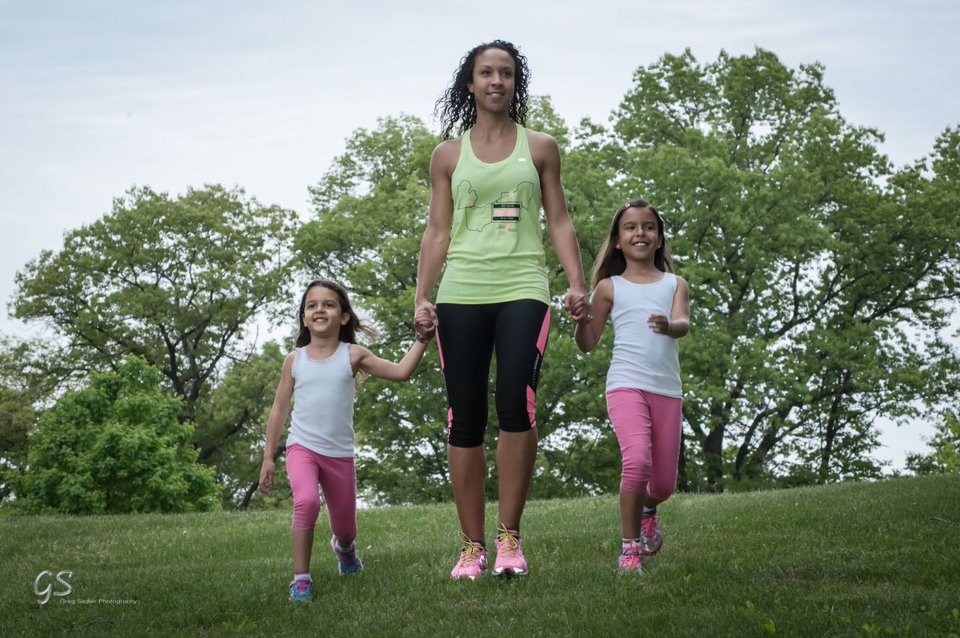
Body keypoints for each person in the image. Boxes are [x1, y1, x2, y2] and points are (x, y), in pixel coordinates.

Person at [414, 39, 588, 580]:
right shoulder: (447, 155)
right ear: (469, 83)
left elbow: (558, 221)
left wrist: (576, 283)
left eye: (506, 73)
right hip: (461, 291)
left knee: (517, 401)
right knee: (463, 417)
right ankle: (471, 547)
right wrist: (423, 294)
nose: (496, 81)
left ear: (516, 83)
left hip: (524, 287)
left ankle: (509, 539)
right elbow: (438, 230)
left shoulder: (540, 147)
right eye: (486, 73)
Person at [259, 279, 433, 601]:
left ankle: (345, 549)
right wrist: (269, 457)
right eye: (312, 305)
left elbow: (400, 372)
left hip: (339, 456)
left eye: (328, 304)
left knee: (345, 528)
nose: (319, 309)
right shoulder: (294, 361)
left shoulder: (352, 355)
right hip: (302, 448)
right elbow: (279, 409)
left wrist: (422, 339)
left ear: (343, 316)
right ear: (303, 317)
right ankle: (301, 580)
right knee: (306, 502)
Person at [573, 199, 689, 574]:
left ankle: (649, 510)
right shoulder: (609, 288)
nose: (640, 232)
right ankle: (629, 551)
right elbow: (588, 343)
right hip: (625, 385)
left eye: (648, 227)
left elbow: (683, 324)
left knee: (665, 484)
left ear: (659, 240)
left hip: (667, 390)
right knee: (636, 460)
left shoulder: (675, 284)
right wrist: (580, 319)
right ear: (618, 241)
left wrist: (668, 326)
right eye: (631, 227)